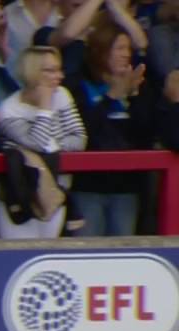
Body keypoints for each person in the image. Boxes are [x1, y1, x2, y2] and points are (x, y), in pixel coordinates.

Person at [67, 20, 154, 235]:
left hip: (126, 188)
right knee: (87, 253)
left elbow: (146, 135)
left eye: (128, 49)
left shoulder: (138, 84)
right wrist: (111, 96)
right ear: (101, 50)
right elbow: (83, 131)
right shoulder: (77, 85)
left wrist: (133, 97)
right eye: (119, 48)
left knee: (122, 252)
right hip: (88, 186)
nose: (126, 54)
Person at [0, 45, 86, 238]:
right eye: (50, 70)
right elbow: (37, 143)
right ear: (32, 73)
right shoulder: (8, 110)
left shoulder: (61, 95)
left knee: (48, 252)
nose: (59, 76)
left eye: (59, 69)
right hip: (18, 196)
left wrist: (53, 144)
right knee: (16, 255)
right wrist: (45, 107)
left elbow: (79, 138)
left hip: (53, 191)